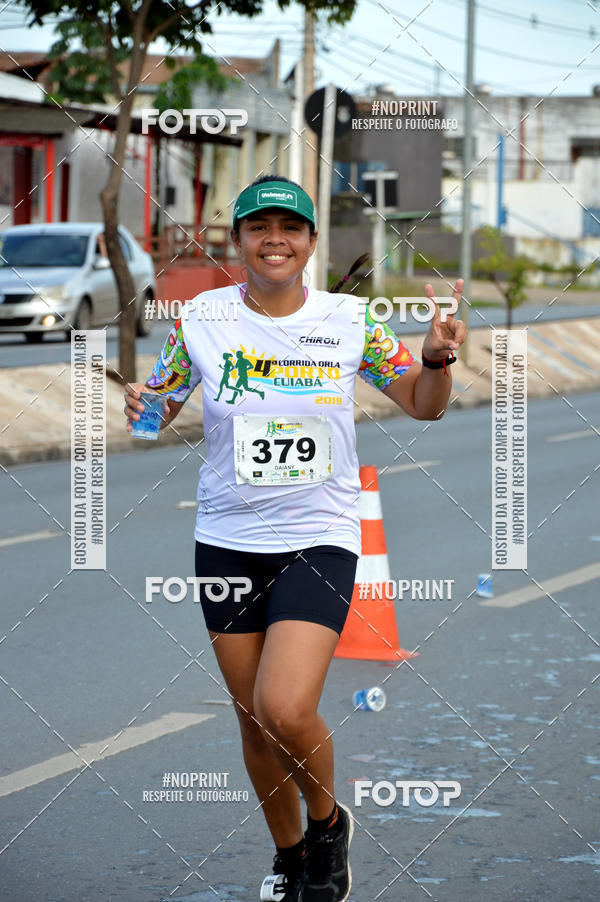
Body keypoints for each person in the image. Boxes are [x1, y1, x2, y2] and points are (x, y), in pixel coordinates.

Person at [124, 175, 466, 902]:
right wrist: (140, 406)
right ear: (239, 241)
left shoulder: (353, 321)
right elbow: (155, 413)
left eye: (290, 227)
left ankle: (327, 823)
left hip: (321, 535)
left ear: (311, 243)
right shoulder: (201, 319)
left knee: (284, 707)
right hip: (226, 538)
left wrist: (435, 357)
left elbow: (423, 407)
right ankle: (290, 859)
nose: (273, 239)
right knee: (253, 724)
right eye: (258, 227)